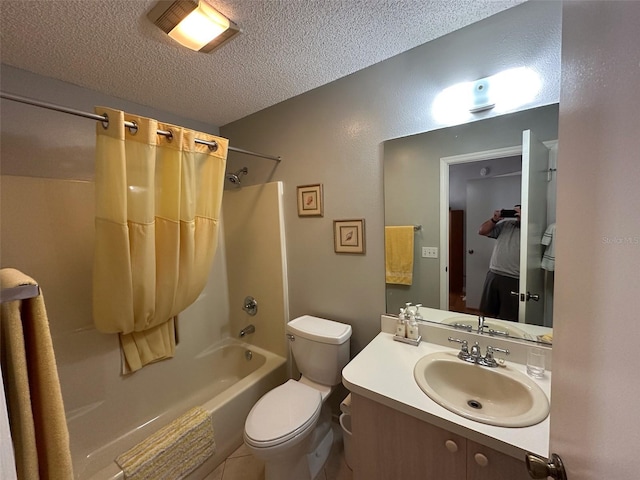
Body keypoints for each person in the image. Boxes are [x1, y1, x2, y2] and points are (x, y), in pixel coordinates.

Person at [477, 205, 521, 322]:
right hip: (494, 274)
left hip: (513, 277)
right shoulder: (506, 225)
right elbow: (482, 231)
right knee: (487, 312)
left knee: (508, 316)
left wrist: (524, 219)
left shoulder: (532, 228)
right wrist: (494, 219)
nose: (514, 214)